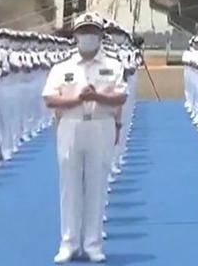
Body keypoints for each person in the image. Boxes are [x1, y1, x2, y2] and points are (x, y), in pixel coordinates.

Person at [42, 14, 127, 263]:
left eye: (93, 32)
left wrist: (97, 97)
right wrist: (77, 99)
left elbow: (121, 96)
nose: (88, 36)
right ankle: (68, 243)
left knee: (96, 185)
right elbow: (49, 98)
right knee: (69, 186)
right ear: (76, 36)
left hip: (101, 125)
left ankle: (92, 243)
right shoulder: (62, 67)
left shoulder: (113, 65)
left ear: (101, 36)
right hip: (71, 125)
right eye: (84, 31)